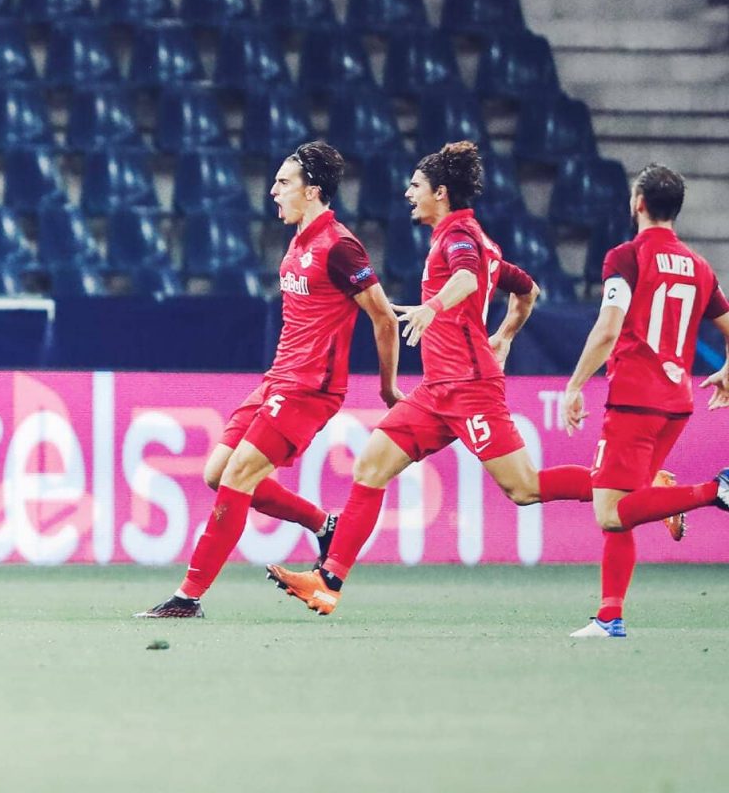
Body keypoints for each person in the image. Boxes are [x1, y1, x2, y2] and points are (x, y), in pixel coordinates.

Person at [267, 141, 603, 616]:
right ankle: (328, 581)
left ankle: (629, 485)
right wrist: (504, 335)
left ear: (440, 193)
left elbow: (468, 279)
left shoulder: (458, 236)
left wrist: (432, 307)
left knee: (524, 488)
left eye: (416, 186)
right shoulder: (473, 239)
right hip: (436, 390)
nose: (408, 194)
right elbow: (527, 290)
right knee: (370, 467)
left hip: (469, 387)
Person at [137, 142, 403, 618]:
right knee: (217, 474)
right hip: (278, 380)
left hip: (309, 388)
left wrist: (388, 387)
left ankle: (188, 597)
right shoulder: (299, 240)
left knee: (238, 477)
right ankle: (324, 525)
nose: (273, 191)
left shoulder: (340, 246)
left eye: (283, 183)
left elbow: (382, 317)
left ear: (312, 191)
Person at [559, 163, 729, 638]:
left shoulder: (626, 256)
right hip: (677, 402)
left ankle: (715, 490)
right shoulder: (699, 266)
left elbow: (608, 328)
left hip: (636, 399)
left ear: (637, 203)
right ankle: (609, 617)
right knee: (625, 509)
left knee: (609, 510)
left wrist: (575, 384)